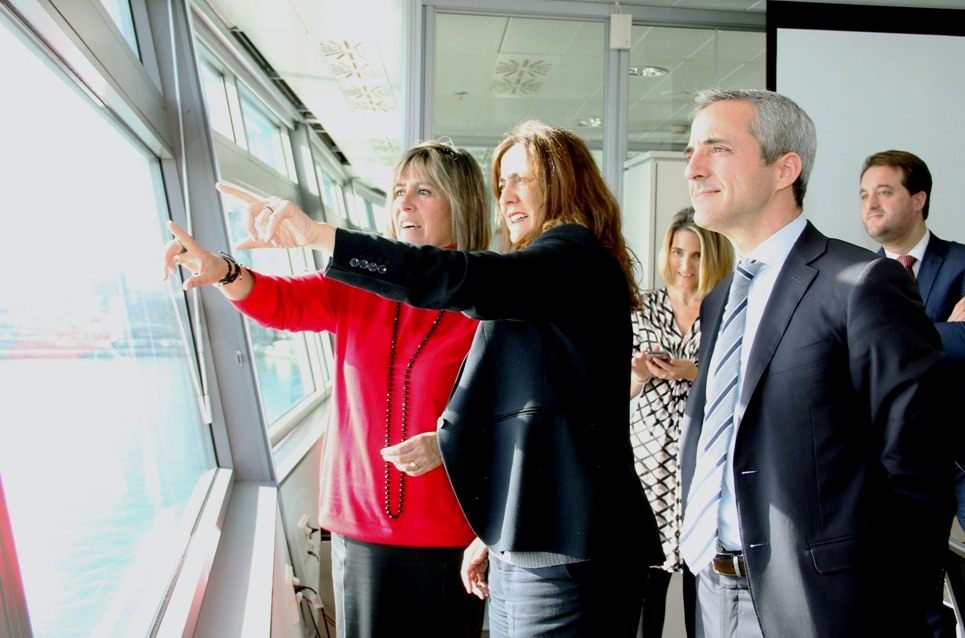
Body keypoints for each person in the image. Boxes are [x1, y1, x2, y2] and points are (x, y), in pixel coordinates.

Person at [214, 119, 664, 636]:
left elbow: (460, 278)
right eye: (502, 184)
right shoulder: (553, 271)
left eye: (522, 178)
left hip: (567, 548)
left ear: (564, 180)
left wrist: (320, 237)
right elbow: (535, 407)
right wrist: (493, 536)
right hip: (535, 538)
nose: (508, 196)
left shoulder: (569, 256)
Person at [162, 140, 491, 638]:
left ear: (462, 204)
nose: (403, 202)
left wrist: (449, 443)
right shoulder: (360, 283)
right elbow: (281, 302)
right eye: (398, 190)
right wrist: (223, 271)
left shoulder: (485, 300)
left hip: (448, 532)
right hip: (360, 526)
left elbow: (508, 413)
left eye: (424, 191)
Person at [676, 89, 951, 637]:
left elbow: (917, 469)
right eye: (689, 152)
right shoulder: (720, 297)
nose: (694, 169)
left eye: (717, 149)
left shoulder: (860, 285)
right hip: (711, 590)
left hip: (824, 606)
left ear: (786, 169)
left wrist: (899, 612)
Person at [860, 149, 965, 544]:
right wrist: (942, 329)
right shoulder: (855, 278)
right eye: (864, 195)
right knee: (913, 592)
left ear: (919, 200)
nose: (871, 204)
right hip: (901, 462)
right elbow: (860, 357)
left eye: (884, 192)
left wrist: (896, 338)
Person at [629, 208, 734, 638]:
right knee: (644, 591)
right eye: (678, 252)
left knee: (701, 586)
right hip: (646, 465)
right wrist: (638, 371)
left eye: (695, 255)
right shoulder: (643, 305)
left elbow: (739, 381)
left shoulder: (725, 308)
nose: (685, 266)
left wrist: (691, 372)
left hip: (703, 463)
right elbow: (616, 389)